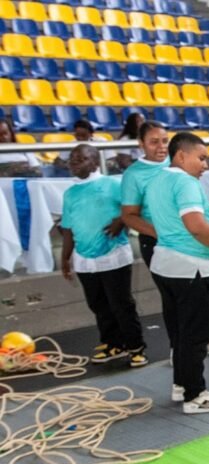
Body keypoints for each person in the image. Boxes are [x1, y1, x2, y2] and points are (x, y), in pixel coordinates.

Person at [146, 132, 209, 414]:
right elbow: (196, 225)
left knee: (179, 332)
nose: (205, 165)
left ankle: (181, 384)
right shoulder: (186, 183)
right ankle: (195, 396)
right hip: (191, 268)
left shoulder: (157, 180)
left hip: (165, 265)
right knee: (196, 335)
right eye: (201, 158)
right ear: (180, 156)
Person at [59, 144, 146, 367]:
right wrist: (65, 258)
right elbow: (67, 228)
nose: (74, 162)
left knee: (121, 304)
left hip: (113, 254)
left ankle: (135, 346)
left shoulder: (113, 185)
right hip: (84, 259)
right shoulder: (70, 194)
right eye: (72, 159)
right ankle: (113, 343)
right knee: (98, 305)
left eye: (81, 158)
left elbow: (134, 208)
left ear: (95, 162)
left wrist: (120, 221)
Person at [120, 121, 170, 269]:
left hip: (187, 235)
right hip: (156, 241)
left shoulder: (178, 161)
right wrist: (160, 234)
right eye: (154, 142)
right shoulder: (133, 174)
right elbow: (129, 215)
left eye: (165, 141)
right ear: (141, 143)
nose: (161, 147)